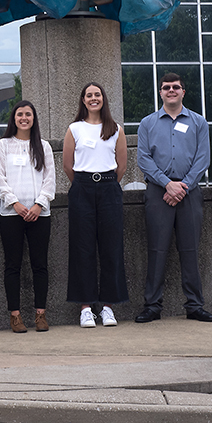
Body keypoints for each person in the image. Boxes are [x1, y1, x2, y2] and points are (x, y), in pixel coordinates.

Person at [135, 73, 212, 323]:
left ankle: (194, 305)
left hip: (189, 192)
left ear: (183, 91)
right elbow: (143, 159)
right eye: (166, 87)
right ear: (160, 92)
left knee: (190, 250)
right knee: (157, 250)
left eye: (176, 87)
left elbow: (203, 158)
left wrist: (183, 186)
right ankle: (152, 305)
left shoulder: (198, 122)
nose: (171, 90)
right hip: (159, 192)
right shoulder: (147, 123)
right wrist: (168, 184)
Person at [63, 83, 128, 328]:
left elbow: (121, 165)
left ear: (103, 99)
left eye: (97, 94)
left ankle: (109, 307)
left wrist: (106, 184)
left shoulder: (115, 129)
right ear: (83, 100)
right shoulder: (74, 129)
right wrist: (85, 184)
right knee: (83, 248)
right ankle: (86, 307)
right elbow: (68, 165)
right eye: (89, 95)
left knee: (111, 247)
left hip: (109, 188)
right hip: (82, 188)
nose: (93, 98)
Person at [0, 100, 55, 333]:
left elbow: (50, 179)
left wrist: (39, 204)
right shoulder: (3, 145)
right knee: (13, 265)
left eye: (28, 114)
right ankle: (15, 316)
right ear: (14, 118)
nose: (24, 118)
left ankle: (40, 314)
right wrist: (16, 204)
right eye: (20, 114)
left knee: (40, 265)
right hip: (11, 214)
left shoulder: (44, 146)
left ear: (33, 118)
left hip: (40, 213)